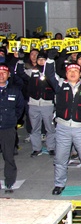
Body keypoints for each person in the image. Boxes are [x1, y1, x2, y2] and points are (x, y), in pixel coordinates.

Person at [45, 61, 81, 196]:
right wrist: (51, 60)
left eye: (76, 71)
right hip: (63, 127)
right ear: (66, 74)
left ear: (80, 73)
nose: (73, 73)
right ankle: (59, 184)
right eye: (70, 71)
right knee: (60, 158)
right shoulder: (60, 85)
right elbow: (49, 74)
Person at [14, 51, 57, 157]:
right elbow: (20, 73)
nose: (41, 61)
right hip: (33, 103)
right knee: (34, 128)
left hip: (47, 104)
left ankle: (51, 147)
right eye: (39, 59)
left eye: (43, 59)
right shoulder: (33, 71)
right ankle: (36, 148)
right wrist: (20, 59)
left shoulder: (52, 73)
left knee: (50, 128)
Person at [0, 63, 26, 193]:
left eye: (4, 72)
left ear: (9, 75)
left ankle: (9, 181)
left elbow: (20, 108)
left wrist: (13, 120)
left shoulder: (14, 91)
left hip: (8, 128)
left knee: (8, 155)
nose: (1, 75)